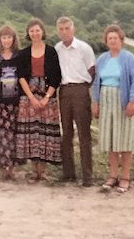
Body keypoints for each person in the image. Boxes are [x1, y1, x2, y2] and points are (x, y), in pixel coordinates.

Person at [92, 24, 134, 194]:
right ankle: (112, 176)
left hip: (122, 101)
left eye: (115, 38)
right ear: (106, 41)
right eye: (109, 38)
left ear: (121, 40)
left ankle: (125, 177)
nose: (112, 41)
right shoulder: (102, 59)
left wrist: (132, 101)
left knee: (125, 141)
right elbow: (96, 82)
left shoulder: (129, 58)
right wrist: (95, 103)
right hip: (106, 102)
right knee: (111, 141)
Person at [15, 18, 62, 182]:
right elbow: (20, 77)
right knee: (31, 132)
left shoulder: (51, 51)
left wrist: (46, 97)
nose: (35, 33)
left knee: (44, 132)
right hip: (28, 95)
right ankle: (34, 171)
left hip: (47, 94)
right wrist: (31, 98)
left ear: (43, 32)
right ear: (28, 33)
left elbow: (57, 77)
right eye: (32, 30)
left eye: (37, 30)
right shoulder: (23, 53)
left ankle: (43, 172)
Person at [55, 16, 96, 187]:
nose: (65, 32)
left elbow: (93, 71)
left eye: (67, 28)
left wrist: (84, 88)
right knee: (66, 133)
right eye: (61, 29)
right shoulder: (57, 49)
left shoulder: (84, 48)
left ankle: (87, 175)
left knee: (84, 133)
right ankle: (68, 172)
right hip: (64, 91)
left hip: (80, 90)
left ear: (73, 29)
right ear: (58, 31)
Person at [0, 25, 23, 180]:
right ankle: (4, 167)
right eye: (4, 37)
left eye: (9, 37)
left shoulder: (20, 56)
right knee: (2, 134)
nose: (7, 40)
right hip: (0, 101)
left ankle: (13, 168)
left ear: (14, 39)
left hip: (16, 101)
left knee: (15, 134)